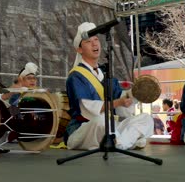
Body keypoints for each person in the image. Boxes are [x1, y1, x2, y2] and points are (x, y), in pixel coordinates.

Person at [64, 22, 153, 150]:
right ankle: (125, 142)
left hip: (109, 126)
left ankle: (119, 142)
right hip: (84, 128)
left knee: (146, 119)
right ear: (79, 49)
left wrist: (134, 94)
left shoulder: (106, 74)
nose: (94, 44)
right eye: (88, 41)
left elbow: (122, 108)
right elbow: (88, 110)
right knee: (101, 121)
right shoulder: (76, 76)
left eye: (96, 39)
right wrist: (118, 102)